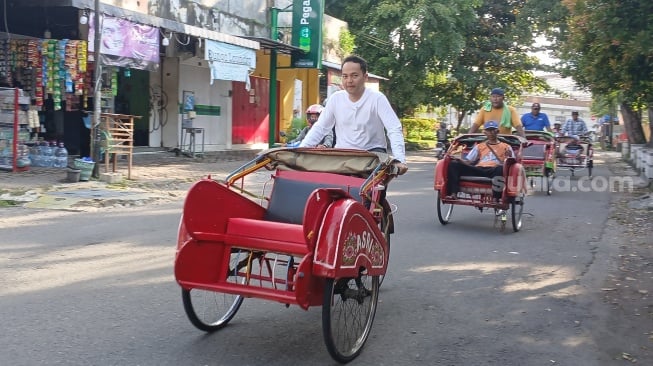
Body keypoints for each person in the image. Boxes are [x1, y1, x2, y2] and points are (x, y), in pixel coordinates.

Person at [299, 55, 408, 175]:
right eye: (345, 76)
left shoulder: (377, 99)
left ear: (365, 77)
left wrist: (399, 160)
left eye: (354, 76)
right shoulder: (336, 99)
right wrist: (299, 151)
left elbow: (394, 129)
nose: (349, 80)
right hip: (343, 156)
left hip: (371, 156)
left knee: (369, 190)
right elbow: (320, 128)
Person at [446, 121, 515, 204]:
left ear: (498, 131)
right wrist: (459, 160)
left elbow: (511, 162)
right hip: (479, 169)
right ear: (485, 132)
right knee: (454, 164)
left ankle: (496, 198)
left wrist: (509, 156)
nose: (491, 133)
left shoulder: (506, 146)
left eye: (493, 130)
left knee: (500, 169)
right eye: (489, 130)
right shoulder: (480, 146)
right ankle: (453, 193)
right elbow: (469, 161)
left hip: (494, 170)